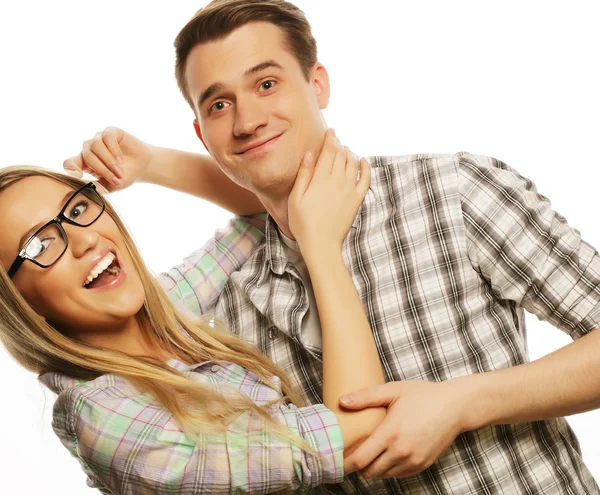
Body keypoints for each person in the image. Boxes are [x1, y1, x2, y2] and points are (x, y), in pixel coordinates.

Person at [64, 1, 600, 493]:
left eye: (267, 84)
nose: (248, 121)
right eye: (220, 104)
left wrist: (464, 402)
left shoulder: (453, 191)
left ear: (317, 84)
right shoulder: (225, 313)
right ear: (202, 134)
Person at [0, 132, 386, 494]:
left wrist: (149, 163)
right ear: (22, 304)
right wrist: (321, 248)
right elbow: (356, 430)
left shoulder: (164, 309)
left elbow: (260, 211)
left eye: (78, 207)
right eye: (39, 245)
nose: (84, 239)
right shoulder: (104, 416)